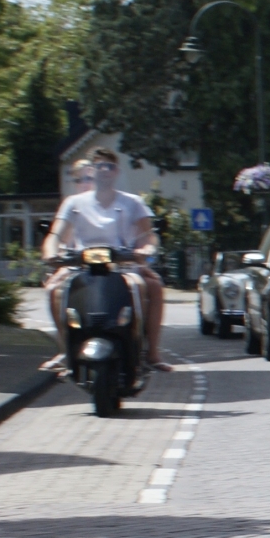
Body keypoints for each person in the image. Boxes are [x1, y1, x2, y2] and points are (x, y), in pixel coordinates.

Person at [41, 149, 170, 373]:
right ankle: (66, 349)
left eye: (109, 167)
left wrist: (145, 249)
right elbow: (56, 235)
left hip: (123, 264)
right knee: (54, 290)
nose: (104, 171)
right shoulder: (74, 203)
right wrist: (50, 252)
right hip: (82, 265)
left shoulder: (133, 202)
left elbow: (148, 235)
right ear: (91, 170)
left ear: (116, 172)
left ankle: (144, 350)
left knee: (144, 286)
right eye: (99, 166)